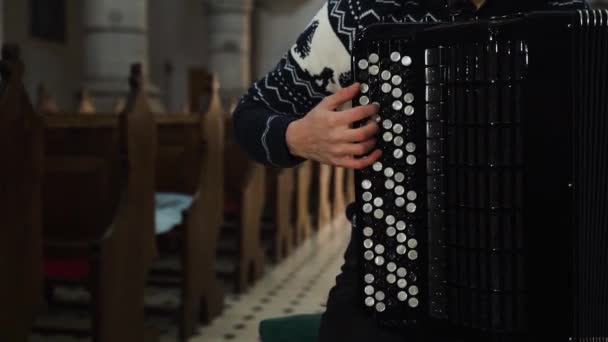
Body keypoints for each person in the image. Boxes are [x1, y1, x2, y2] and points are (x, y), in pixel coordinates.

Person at [232, 0, 588, 341]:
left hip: (542, 273)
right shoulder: (362, 11)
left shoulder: (566, 13)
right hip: (397, 264)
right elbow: (250, 114)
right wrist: (298, 136)